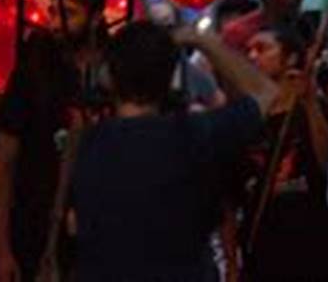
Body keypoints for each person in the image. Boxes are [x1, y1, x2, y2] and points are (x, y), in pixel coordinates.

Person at [67, 23, 279, 281]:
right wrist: (202, 40)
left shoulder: (92, 143)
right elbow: (266, 93)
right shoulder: (197, 134)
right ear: (171, 78)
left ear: (110, 75)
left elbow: (75, 224)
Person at [0, 0, 108, 282]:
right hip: (34, 221)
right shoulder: (33, 71)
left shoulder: (114, 70)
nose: (56, 23)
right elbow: (4, 164)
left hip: (101, 226)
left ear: (96, 18)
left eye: (69, 14)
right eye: (53, 13)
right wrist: (2, 250)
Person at [236, 29, 328, 282]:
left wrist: (310, 105)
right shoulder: (245, 118)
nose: (252, 56)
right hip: (260, 257)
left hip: (314, 253)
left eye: (262, 49)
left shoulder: (325, 110)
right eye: (248, 51)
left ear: (292, 58)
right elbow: (230, 201)